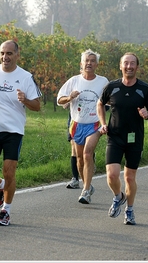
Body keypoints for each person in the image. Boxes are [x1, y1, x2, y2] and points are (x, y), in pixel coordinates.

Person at [0, 40, 42, 226]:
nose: (5, 57)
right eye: (2, 53)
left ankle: (6, 210)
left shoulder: (25, 77)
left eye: (9, 54)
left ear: (17, 54)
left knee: (9, 171)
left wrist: (25, 100)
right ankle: (1, 186)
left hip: (13, 130)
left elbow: (37, 105)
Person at [97, 52, 148, 225]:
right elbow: (100, 103)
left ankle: (130, 210)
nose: (129, 66)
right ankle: (119, 196)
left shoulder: (144, 89)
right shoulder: (112, 87)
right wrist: (103, 123)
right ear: (120, 65)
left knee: (130, 178)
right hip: (115, 136)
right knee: (111, 175)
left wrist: (147, 115)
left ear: (137, 67)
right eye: (126, 63)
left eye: (132, 64)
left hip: (134, 138)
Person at [57, 49, 109, 204]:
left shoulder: (103, 82)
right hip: (76, 124)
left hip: (94, 124)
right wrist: (69, 97)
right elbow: (60, 99)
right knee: (79, 159)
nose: (89, 63)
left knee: (87, 154)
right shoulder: (74, 80)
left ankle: (85, 191)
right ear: (81, 63)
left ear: (97, 64)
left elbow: (112, 100)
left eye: (92, 61)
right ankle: (87, 183)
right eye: (86, 60)